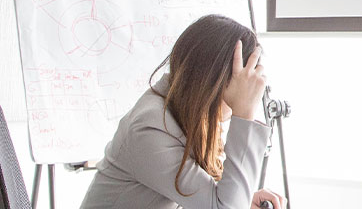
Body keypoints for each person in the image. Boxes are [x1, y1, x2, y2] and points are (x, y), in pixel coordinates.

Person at [80, 15, 287, 209]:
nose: (248, 92)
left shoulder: (184, 113)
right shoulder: (150, 127)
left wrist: (243, 199)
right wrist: (244, 114)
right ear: (215, 80)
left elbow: (207, 198)